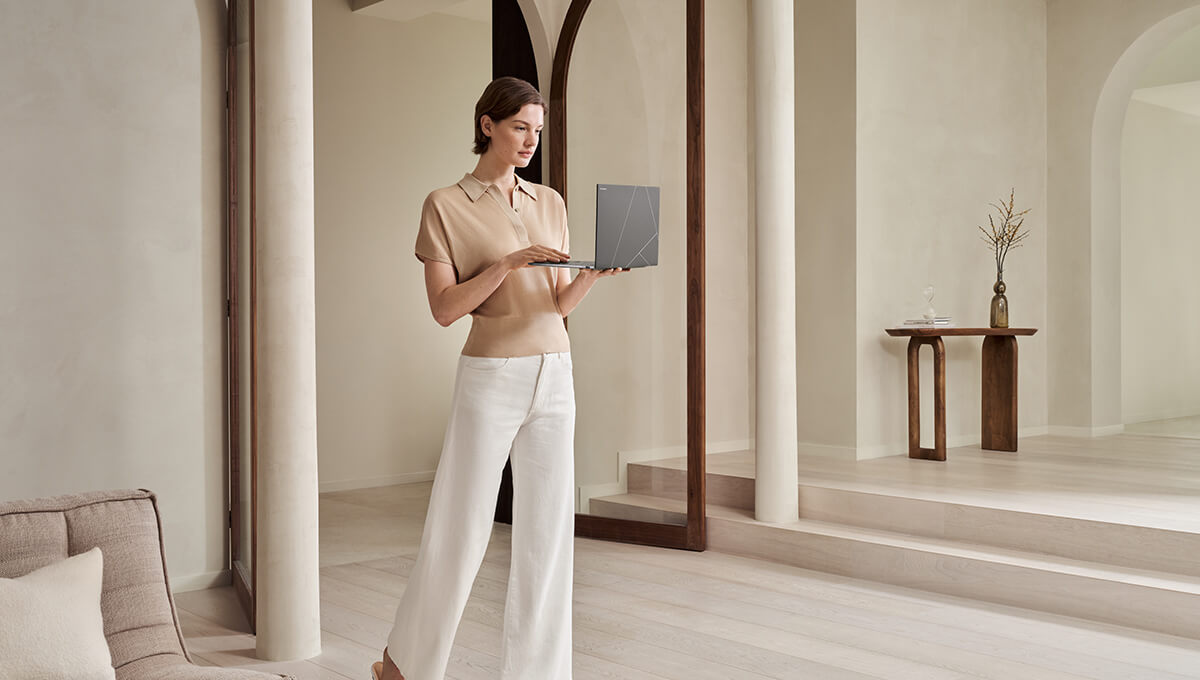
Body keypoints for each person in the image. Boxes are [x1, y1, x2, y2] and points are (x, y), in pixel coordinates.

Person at [372, 77, 624, 680]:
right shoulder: (445, 204)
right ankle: (405, 664)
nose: (530, 141)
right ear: (487, 124)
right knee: (460, 524)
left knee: (547, 532)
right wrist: (509, 262)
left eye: (537, 131)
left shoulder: (550, 202)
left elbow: (556, 305)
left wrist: (594, 274)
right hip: (491, 374)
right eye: (519, 128)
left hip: (556, 373)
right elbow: (444, 309)